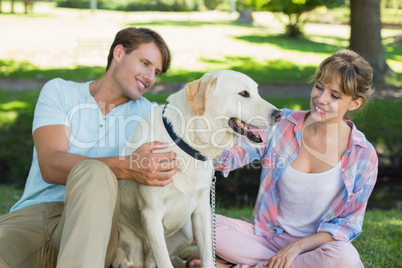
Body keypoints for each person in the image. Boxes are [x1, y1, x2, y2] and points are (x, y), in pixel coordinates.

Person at [0, 27, 178, 268]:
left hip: (99, 225)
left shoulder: (152, 115)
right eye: (145, 63)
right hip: (35, 217)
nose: (150, 77)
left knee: (95, 173)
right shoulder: (60, 92)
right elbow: (51, 164)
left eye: (156, 72)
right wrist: (125, 167)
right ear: (119, 53)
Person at [186, 49, 377, 268]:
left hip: (315, 246)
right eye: (319, 87)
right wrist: (201, 132)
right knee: (201, 223)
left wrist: (295, 248)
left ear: (355, 103)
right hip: (267, 237)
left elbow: (347, 225)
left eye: (335, 95)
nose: (321, 99)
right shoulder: (282, 123)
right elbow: (229, 157)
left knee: (344, 257)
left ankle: (234, 266)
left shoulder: (363, 155)